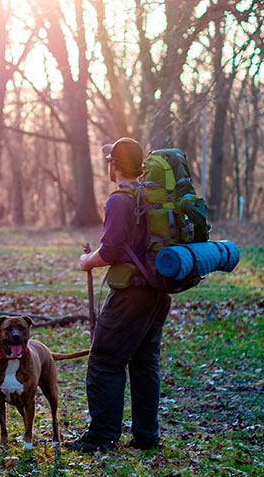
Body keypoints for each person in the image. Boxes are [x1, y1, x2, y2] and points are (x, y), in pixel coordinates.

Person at [64, 137, 172, 452]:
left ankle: (102, 436)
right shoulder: (151, 196)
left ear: (114, 164)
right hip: (158, 292)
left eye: (109, 161)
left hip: (131, 294)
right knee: (144, 362)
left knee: (104, 360)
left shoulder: (119, 200)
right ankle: (146, 436)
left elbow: (110, 251)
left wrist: (87, 261)